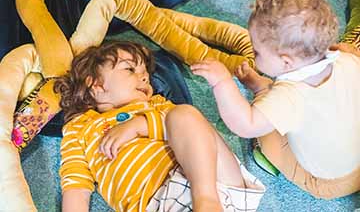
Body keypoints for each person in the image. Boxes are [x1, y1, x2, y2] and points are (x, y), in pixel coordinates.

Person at [191, 0, 360, 199]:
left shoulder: (290, 96)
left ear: (286, 62)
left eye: (257, 52)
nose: (253, 54)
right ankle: (264, 90)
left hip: (327, 183)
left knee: (267, 134)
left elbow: (245, 125)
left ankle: (263, 102)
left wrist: (222, 82)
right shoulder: (349, 59)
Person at [55, 40, 265, 212]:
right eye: (129, 69)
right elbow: (75, 183)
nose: (145, 76)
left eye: (145, 72)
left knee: (184, 114)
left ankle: (206, 200)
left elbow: (192, 133)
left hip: (212, 181)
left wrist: (140, 125)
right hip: (157, 203)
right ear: (96, 85)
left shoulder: (155, 104)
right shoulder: (80, 128)